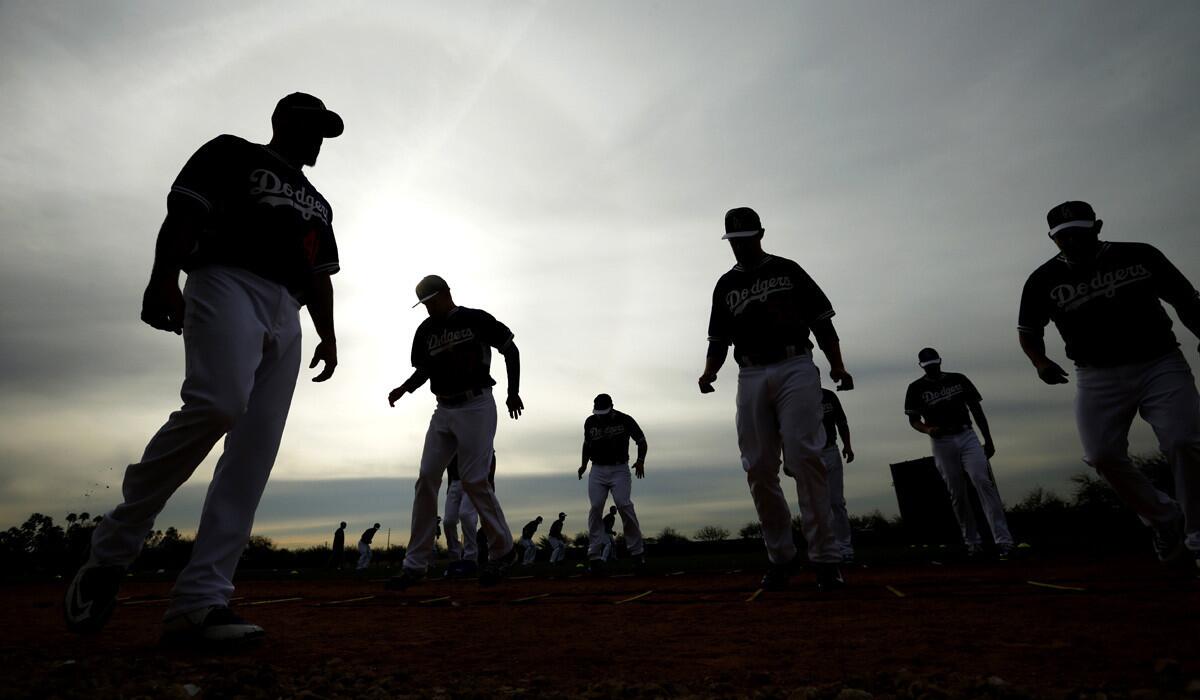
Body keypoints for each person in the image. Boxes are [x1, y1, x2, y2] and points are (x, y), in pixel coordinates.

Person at [63, 93, 344, 645]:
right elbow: (185, 211)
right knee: (218, 403)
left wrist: (329, 334)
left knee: (253, 453)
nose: (317, 140)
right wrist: (163, 276)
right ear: (281, 121)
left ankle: (200, 601)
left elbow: (319, 274)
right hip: (225, 278)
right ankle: (116, 543)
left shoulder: (319, 202)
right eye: (310, 127)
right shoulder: (232, 152)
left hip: (287, 309)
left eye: (324, 132)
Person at [1019, 200, 1200, 569]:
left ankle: (1197, 539)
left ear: (1098, 227)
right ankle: (1165, 519)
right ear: (1053, 239)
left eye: (1079, 232)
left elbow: (1185, 299)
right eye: (1063, 236)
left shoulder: (1139, 255)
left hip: (1159, 362)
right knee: (1101, 454)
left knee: (1185, 441)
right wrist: (1039, 362)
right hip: (1096, 374)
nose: (1071, 240)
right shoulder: (1042, 279)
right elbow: (1028, 330)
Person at [698, 207, 850, 592]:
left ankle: (826, 559)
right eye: (734, 240)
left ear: (760, 234)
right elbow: (718, 339)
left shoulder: (787, 269)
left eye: (745, 238)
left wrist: (838, 365)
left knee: (804, 456)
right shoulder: (725, 285)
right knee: (759, 466)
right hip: (749, 372)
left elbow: (822, 321)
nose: (739, 246)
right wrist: (710, 371)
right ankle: (781, 558)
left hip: (795, 362)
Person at [385, 275, 522, 589]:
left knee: (474, 479)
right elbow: (426, 369)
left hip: (476, 404)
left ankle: (503, 551)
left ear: (446, 293)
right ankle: (415, 565)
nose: (429, 307)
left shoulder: (475, 318)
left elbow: (509, 349)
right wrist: (405, 389)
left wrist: (513, 391)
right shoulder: (426, 330)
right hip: (443, 408)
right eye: (425, 303)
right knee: (427, 478)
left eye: (433, 300)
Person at [904, 349, 1014, 557]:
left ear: (940, 362)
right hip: (942, 440)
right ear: (922, 366)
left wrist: (987, 439)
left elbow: (976, 409)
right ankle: (972, 541)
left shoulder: (958, 379)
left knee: (982, 480)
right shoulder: (916, 388)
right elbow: (913, 420)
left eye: (934, 363)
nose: (932, 368)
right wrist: (928, 429)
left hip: (966, 434)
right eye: (928, 365)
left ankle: (1003, 540)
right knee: (956, 491)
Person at [578, 394, 647, 573]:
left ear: (611, 407)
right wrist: (584, 464)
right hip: (597, 469)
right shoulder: (590, 421)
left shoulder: (625, 419)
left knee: (624, 504)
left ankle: (637, 553)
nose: (600, 415)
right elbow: (586, 444)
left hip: (619, 469)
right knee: (595, 507)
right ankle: (594, 556)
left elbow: (641, 440)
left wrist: (640, 460)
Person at [819, 388, 856, 561]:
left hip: (830, 448)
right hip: (808, 453)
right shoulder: (796, 394)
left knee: (836, 502)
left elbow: (841, 422)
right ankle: (824, 549)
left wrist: (847, 445)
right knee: (816, 504)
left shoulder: (828, 396)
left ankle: (844, 547)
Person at [442, 454, 481, 576]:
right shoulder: (451, 440)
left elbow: (489, 456)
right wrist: (449, 485)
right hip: (455, 482)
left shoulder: (474, 436)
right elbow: (449, 463)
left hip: (472, 480)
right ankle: (454, 559)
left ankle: (470, 559)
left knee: (466, 515)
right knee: (448, 521)